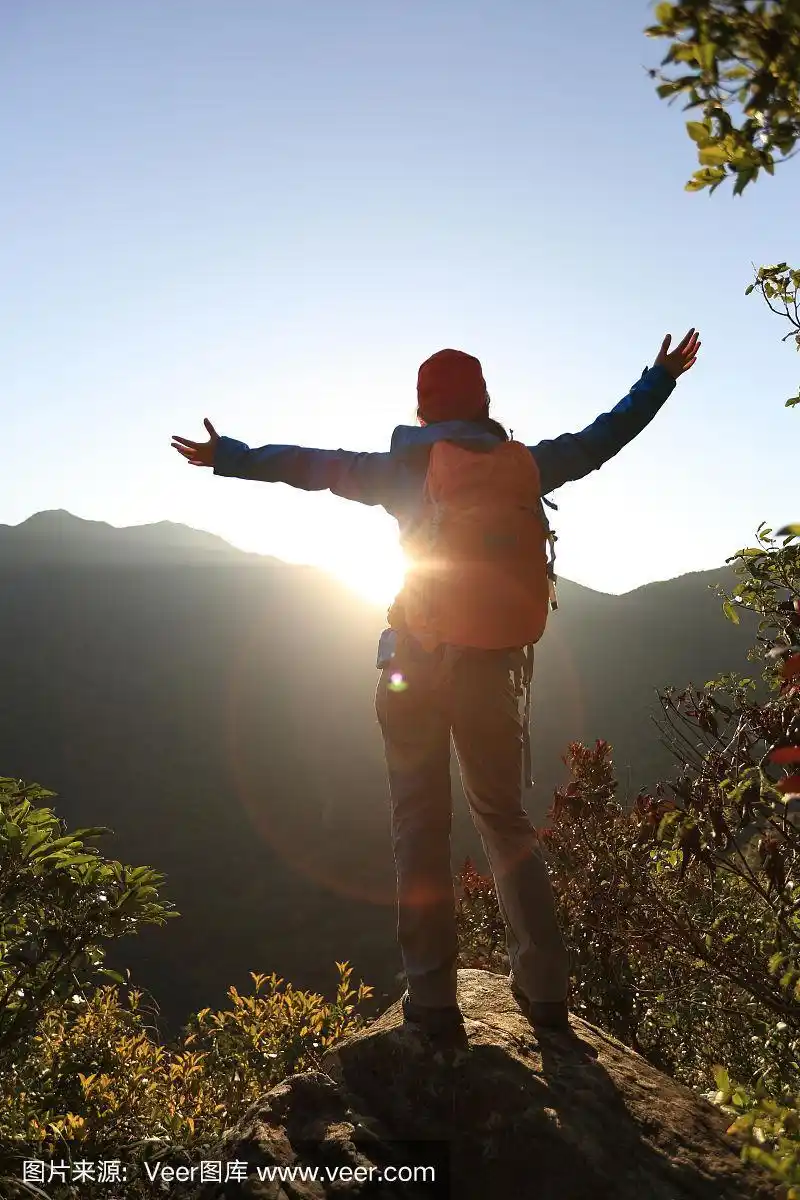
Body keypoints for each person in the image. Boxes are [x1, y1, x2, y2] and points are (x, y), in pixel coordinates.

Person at [171, 329, 701, 1038]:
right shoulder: (527, 465)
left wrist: (230, 457)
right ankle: (544, 994)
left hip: (410, 667)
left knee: (418, 827)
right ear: (484, 403)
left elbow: (313, 466)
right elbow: (603, 438)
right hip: (494, 666)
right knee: (506, 823)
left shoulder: (403, 468)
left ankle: (431, 1001)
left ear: (422, 409)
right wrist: (659, 378)